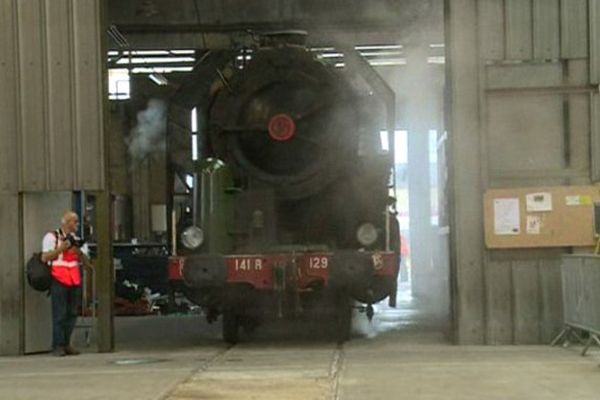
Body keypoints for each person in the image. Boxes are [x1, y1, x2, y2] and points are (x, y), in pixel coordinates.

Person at [41, 210, 92, 357]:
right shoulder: (52, 237)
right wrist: (61, 248)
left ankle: (67, 343)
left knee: (72, 313)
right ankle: (57, 345)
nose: (77, 224)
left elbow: (87, 262)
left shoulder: (78, 240)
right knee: (59, 314)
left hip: (74, 279)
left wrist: (79, 252)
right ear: (66, 223)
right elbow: (45, 257)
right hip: (58, 278)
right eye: (74, 221)